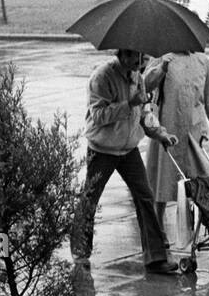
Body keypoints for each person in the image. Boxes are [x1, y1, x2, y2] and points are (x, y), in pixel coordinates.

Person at [71, 48, 181, 276]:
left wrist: (160, 134)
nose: (139, 62)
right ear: (122, 55)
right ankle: (80, 252)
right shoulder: (102, 77)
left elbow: (145, 113)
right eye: (134, 57)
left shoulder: (137, 77)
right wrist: (129, 103)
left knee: (145, 197)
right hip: (102, 148)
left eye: (142, 57)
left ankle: (156, 258)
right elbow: (99, 115)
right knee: (90, 198)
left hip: (128, 149)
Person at [143, 52, 209, 237]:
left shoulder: (202, 60)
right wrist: (161, 68)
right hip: (168, 127)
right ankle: (158, 227)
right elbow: (145, 85)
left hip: (196, 131)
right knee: (162, 179)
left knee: (204, 178)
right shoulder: (163, 57)